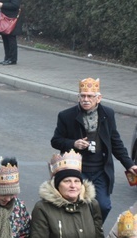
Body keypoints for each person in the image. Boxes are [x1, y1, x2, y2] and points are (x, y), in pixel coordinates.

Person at [51, 77, 136, 220]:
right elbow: (56, 141)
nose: (86, 99)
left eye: (90, 96)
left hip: (100, 171)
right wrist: (73, 144)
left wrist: (129, 164)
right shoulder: (66, 116)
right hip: (77, 170)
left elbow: (115, 142)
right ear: (78, 97)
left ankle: (93, 231)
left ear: (98, 98)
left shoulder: (107, 114)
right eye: (82, 96)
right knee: (77, 205)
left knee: (103, 206)